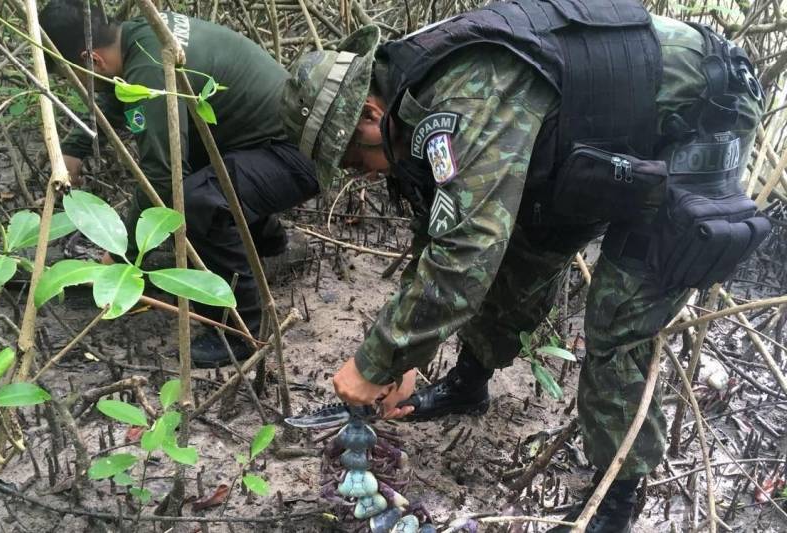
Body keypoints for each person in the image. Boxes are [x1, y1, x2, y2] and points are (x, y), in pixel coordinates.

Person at [280, 0, 768, 530]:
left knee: (618, 318)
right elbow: (444, 230)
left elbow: (465, 253)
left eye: (355, 161)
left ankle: (617, 497)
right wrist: (402, 360)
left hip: (700, 113)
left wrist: (373, 363)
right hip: (588, 142)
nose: (366, 176)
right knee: (523, 256)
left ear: (371, 116)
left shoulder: (468, 93)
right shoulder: (409, 92)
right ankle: (469, 384)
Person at [40, 0, 319, 366]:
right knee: (194, 158)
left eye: (72, 75)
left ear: (92, 60)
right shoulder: (139, 35)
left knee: (191, 198)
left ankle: (240, 329)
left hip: (296, 158)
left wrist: (118, 250)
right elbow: (115, 94)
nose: (79, 85)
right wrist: (74, 150)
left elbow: (161, 176)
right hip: (270, 145)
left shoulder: (151, 69)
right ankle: (266, 240)